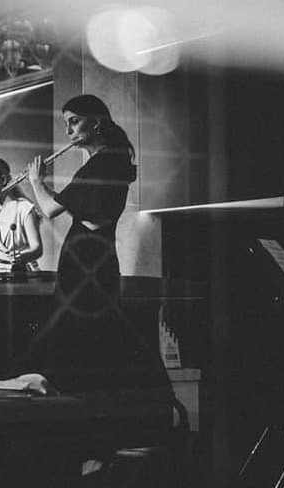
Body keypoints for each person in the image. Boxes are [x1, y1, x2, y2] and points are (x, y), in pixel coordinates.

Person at [11, 94, 170, 396]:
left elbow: (50, 209)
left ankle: (74, 399)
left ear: (96, 122)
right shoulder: (110, 161)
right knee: (85, 331)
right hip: (92, 258)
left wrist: (36, 181)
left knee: (79, 332)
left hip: (87, 262)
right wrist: (44, 186)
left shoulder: (103, 163)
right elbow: (69, 206)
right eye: (66, 124)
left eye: (74, 122)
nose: (68, 131)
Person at [0, 157, 43, 272]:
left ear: (3, 180)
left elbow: (37, 248)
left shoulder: (24, 208)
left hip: (23, 273)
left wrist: (21, 256)